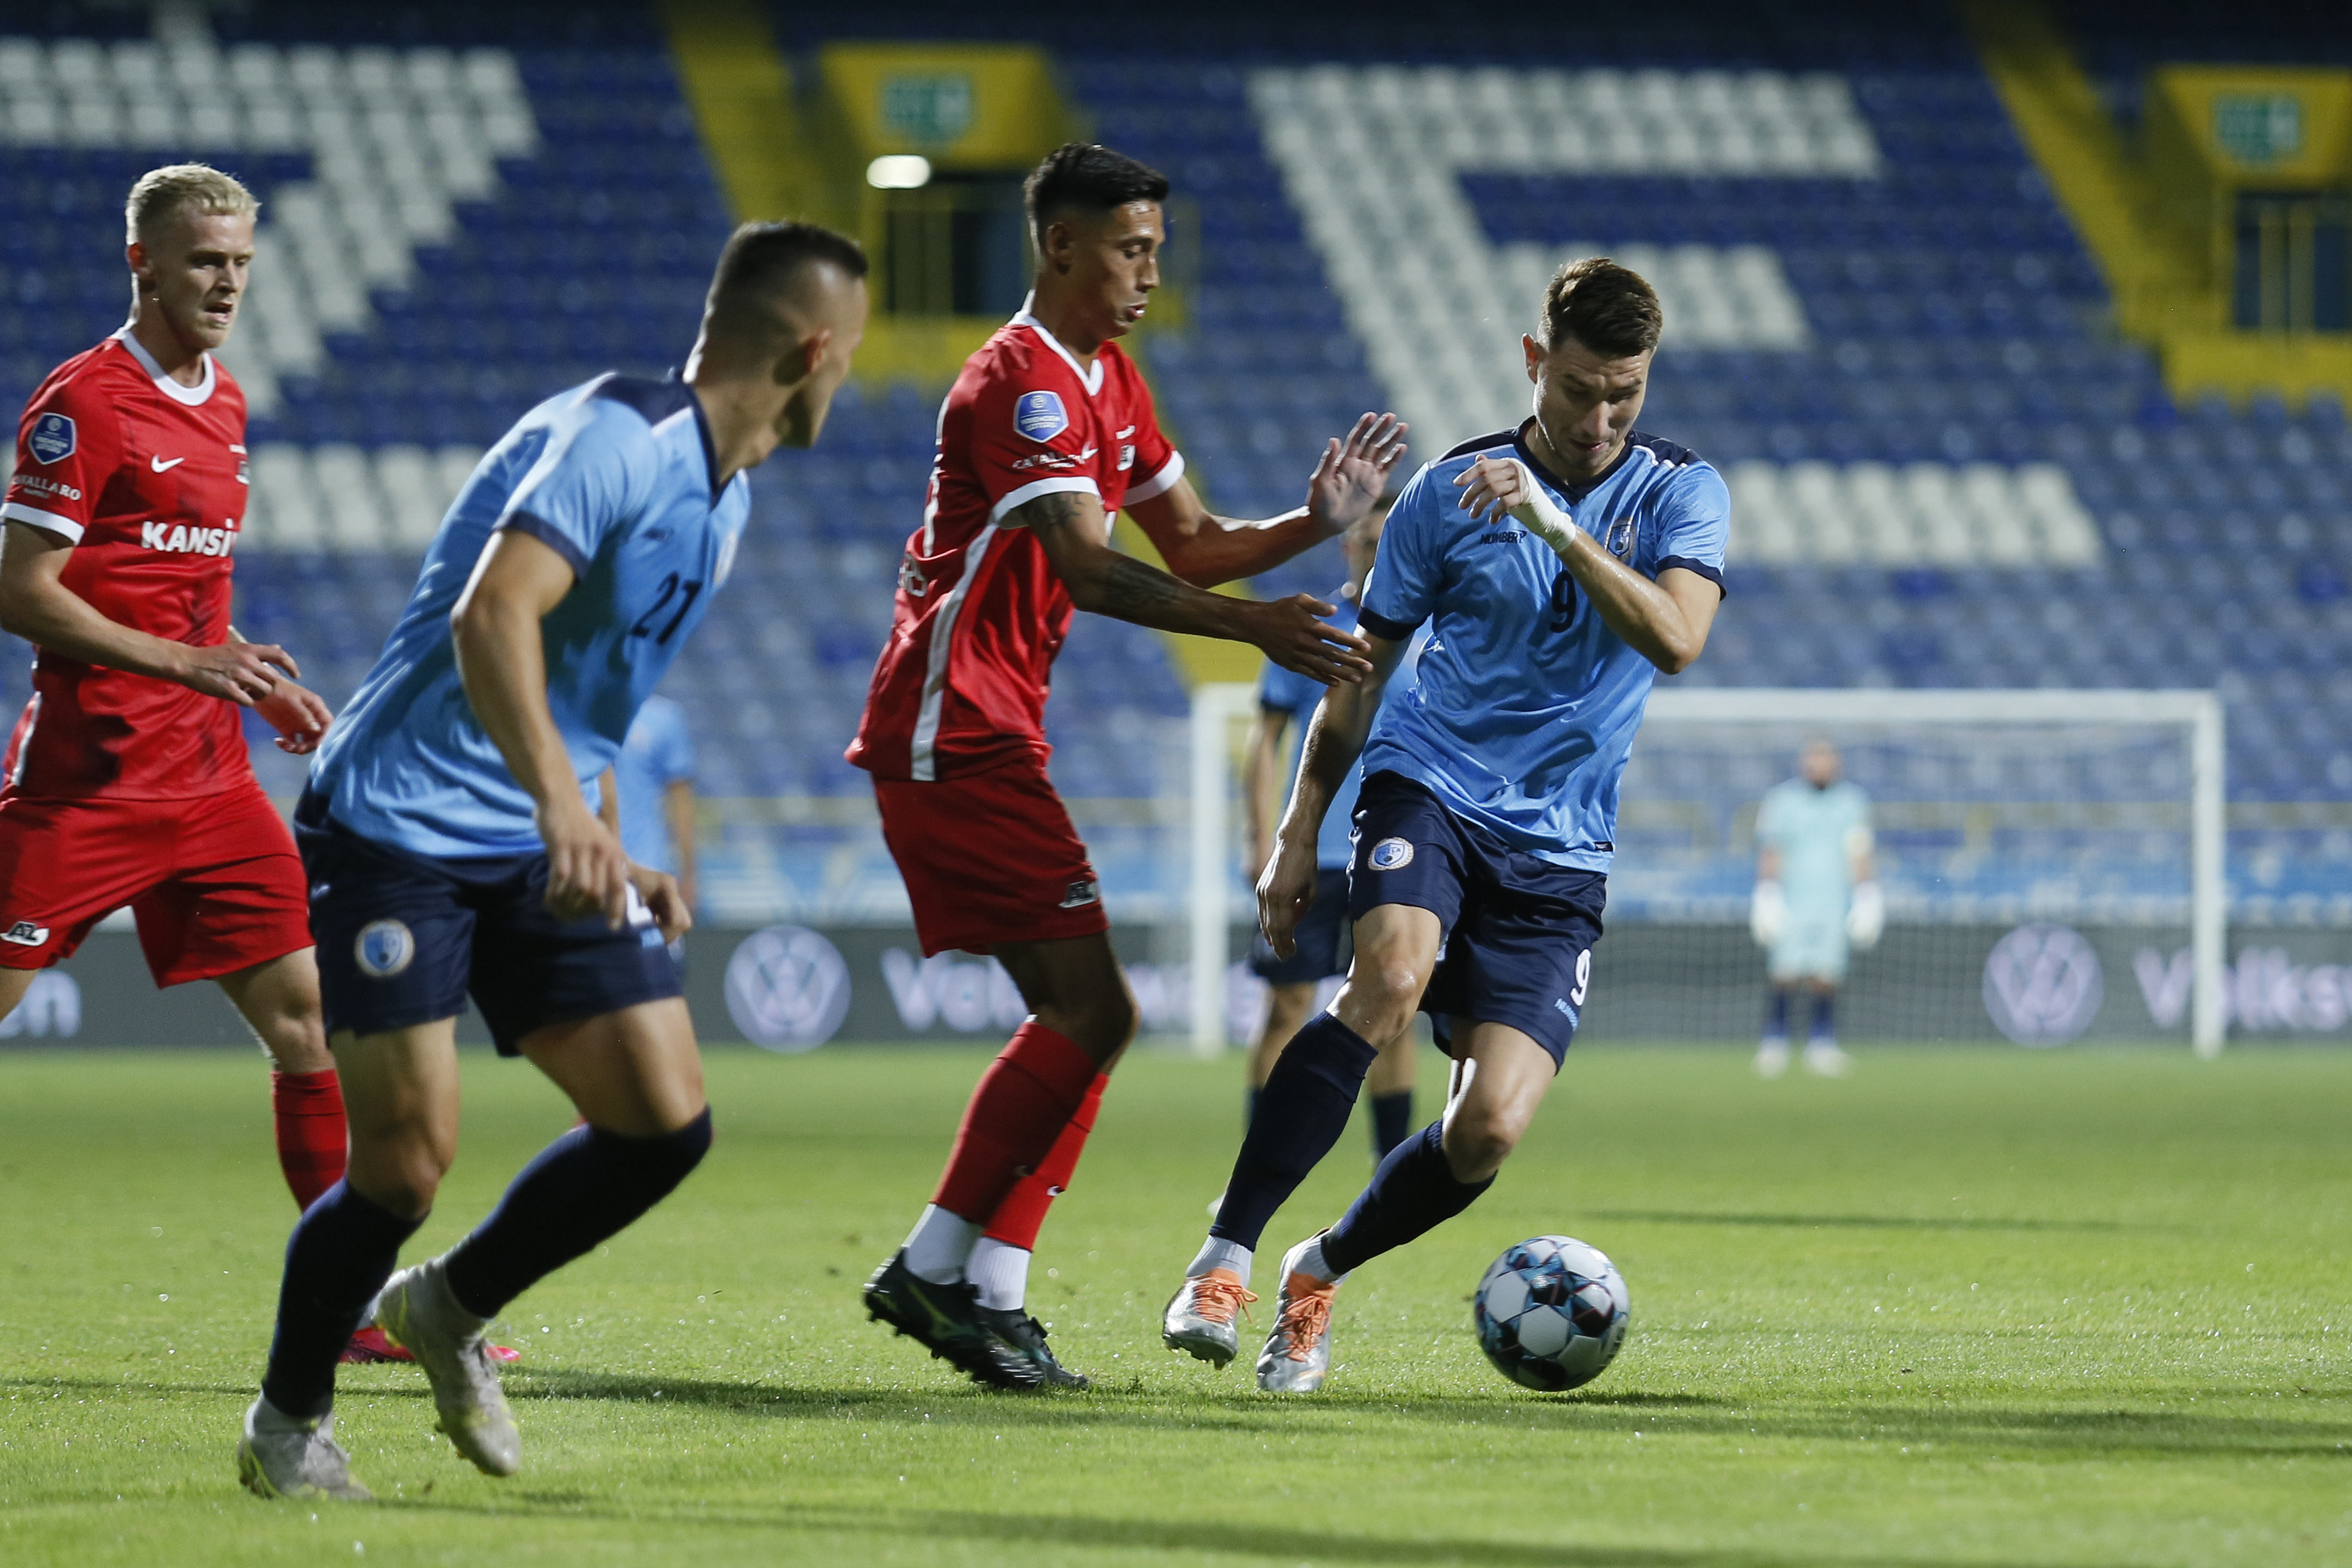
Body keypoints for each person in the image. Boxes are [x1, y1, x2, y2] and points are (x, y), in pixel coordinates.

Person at [235, 221, 869, 1502]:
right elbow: (495, 612)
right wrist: (565, 811)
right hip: (399, 822)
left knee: (661, 1120)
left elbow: (590, 693)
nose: (849, 378)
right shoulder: (617, 436)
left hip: (536, 829)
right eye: (851, 354)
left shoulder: (728, 500)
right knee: (406, 1162)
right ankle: (286, 1423)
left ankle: (447, 1306)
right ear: (815, 351)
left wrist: (607, 838)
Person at [847, 142, 1404, 1392]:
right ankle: (937, 1268)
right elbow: (1088, 568)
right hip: (950, 724)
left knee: (1087, 1014)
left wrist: (1312, 523)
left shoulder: (1111, 380)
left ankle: (986, 1290)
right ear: (1060, 246)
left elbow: (1193, 543)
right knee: (1094, 1011)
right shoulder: (1022, 383)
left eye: (1157, 249)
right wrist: (1258, 627)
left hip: (991, 728)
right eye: (1130, 249)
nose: (1151, 271)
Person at [1160, 257, 1727, 1394]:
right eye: (1578, 390)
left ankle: (1317, 1270)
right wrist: (1296, 833)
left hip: (1559, 847)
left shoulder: (1682, 491)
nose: (1599, 420)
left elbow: (1675, 639)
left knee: (1488, 1131)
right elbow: (1361, 673)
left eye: (1623, 394)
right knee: (1386, 980)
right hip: (1430, 782)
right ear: (1533, 362)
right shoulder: (1442, 494)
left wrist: (1553, 524)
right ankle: (1223, 1257)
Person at [0, 163, 347, 1229]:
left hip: (209, 782)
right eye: (204, 260)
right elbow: (19, 591)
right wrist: (187, 665)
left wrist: (246, 675)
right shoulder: (85, 402)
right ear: (141, 262)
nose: (228, 282)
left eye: (241, 262)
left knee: (308, 1025)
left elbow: (169, 588)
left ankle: (346, 1292)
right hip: (86, 784)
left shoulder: (228, 401)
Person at [1237, 499, 1417, 1172]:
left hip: (1397, 849)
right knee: (1287, 1005)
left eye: (1390, 540)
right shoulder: (1313, 629)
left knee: (1392, 1004)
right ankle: (1256, 1168)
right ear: (1348, 546)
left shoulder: (1434, 630)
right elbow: (1265, 739)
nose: (1376, 551)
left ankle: (1389, 1173)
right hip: (1312, 849)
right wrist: (1260, 837)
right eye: (1368, 539)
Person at [1749, 738, 1880, 1077]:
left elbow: (1860, 851)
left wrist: (1866, 894)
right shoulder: (1782, 801)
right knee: (1785, 972)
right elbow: (1772, 848)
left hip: (1833, 899)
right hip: (1793, 898)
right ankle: (1775, 1040)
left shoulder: (1852, 802)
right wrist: (1767, 893)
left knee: (1827, 973)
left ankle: (1822, 1042)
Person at [601, 691, 699, 925]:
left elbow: (681, 803)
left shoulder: (663, 718)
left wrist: (688, 873)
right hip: (595, 867)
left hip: (647, 871)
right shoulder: (580, 709)